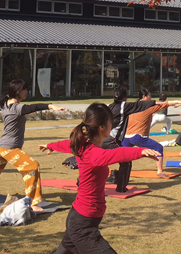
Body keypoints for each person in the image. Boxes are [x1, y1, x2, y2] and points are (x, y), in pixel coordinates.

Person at [40, 103, 161, 254]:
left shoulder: (83, 146)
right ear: (102, 127)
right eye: (112, 122)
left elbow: (68, 144)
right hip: (83, 223)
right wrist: (140, 152)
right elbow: (116, 154)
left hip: (79, 217)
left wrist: (51, 145)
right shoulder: (93, 153)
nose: (113, 125)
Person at [0, 79, 65, 213]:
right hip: (9, 148)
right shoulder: (16, 108)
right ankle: (33, 203)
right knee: (32, 166)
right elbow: (33, 107)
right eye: (24, 90)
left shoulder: (5, 104)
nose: (26, 92)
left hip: (3, 147)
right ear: (17, 91)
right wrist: (50, 106)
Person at [105, 86, 162, 192]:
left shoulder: (108, 106)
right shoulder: (124, 106)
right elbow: (140, 105)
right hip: (112, 140)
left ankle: (81, 180)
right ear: (125, 98)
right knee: (126, 161)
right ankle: (121, 188)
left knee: (99, 159)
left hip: (102, 139)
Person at [122, 89, 180, 177]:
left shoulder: (132, 106)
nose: (151, 97)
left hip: (126, 136)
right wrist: (178, 102)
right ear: (144, 97)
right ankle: (160, 172)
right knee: (159, 148)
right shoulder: (147, 107)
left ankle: (121, 172)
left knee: (124, 156)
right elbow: (165, 104)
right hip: (138, 137)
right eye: (149, 95)